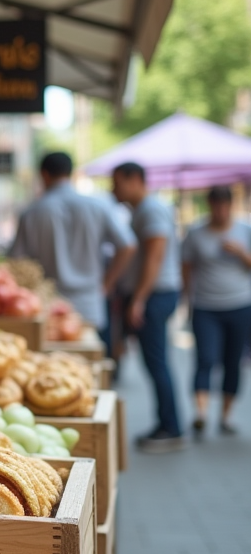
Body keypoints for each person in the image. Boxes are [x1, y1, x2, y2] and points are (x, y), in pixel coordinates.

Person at [9, 152, 135, 333]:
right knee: (92, 356)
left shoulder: (32, 212)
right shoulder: (97, 206)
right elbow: (128, 245)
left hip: (48, 305)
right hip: (90, 302)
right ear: (71, 173)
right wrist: (107, 284)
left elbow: (16, 260)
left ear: (44, 174)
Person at [112, 161, 185, 453]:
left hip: (155, 295)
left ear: (134, 180)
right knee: (155, 362)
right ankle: (167, 424)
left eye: (117, 182)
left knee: (157, 362)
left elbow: (155, 258)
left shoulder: (151, 210)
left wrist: (139, 299)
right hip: (152, 294)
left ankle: (171, 427)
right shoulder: (143, 210)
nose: (113, 188)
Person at [181, 185, 251, 436]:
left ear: (230, 206)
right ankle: (201, 413)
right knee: (205, 359)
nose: (220, 211)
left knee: (233, 361)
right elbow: (186, 267)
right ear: (209, 205)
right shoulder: (196, 233)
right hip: (205, 306)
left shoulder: (244, 230)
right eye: (215, 205)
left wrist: (241, 252)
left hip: (240, 305)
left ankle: (226, 415)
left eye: (224, 205)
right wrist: (186, 300)